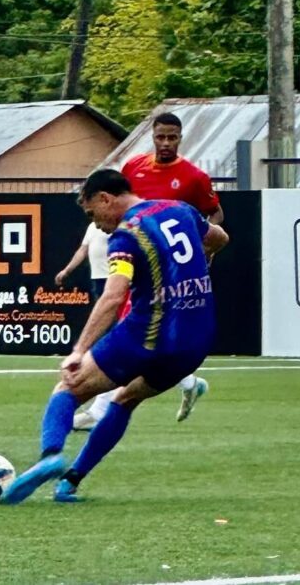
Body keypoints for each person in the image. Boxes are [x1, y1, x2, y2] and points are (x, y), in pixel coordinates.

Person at [0, 170, 229, 504]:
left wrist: (79, 350)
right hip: (195, 342)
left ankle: (51, 455)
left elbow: (113, 296)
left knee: (68, 387)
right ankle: (69, 484)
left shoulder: (126, 235)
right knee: (125, 400)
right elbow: (220, 238)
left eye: (92, 214)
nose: (96, 224)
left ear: (105, 199)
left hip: (148, 334)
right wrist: (203, 261)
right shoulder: (181, 210)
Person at [83, 111, 223, 425]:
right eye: (161, 137)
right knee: (133, 328)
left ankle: (100, 410)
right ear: (153, 137)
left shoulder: (194, 177)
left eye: (172, 137)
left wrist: (202, 253)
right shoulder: (134, 167)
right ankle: (188, 382)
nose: (166, 143)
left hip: (170, 270)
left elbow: (215, 216)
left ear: (181, 138)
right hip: (136, 258)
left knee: (132, 327)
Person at [55, 222, 109, 430]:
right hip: (100, 282)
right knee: (112, 343)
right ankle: (187, 382)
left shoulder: (117, 223)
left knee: (115, 344)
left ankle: (99, 412)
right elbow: (83, 249)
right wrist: (67, 270)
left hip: (115, 281)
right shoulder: (93, 226)